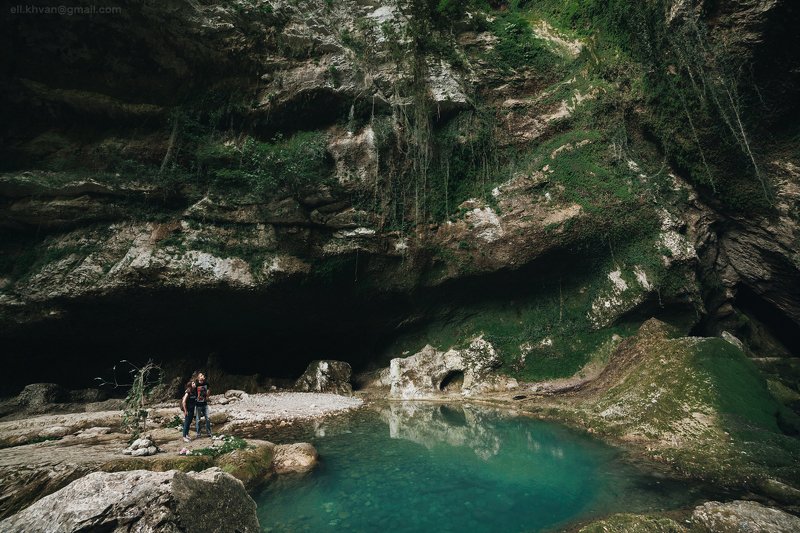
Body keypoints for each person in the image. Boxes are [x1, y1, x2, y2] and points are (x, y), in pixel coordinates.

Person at [181, 371, 198, 443]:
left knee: (189, 422)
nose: (194, 384)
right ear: (190, 385)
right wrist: (185, 411)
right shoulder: (187, 392)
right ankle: (184, 437)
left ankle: (187, 434)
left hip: (192, 409)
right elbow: (183, 402)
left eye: (194, 383)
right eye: (193, 383)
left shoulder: (194, 391)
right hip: (188, 409)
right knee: (186, 422)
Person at [194, 372, 212, 438]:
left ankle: (209, 433)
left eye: (203, 375)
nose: (203, 376)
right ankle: (198, 434)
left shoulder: (206, 383)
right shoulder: (196, 385)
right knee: (198, 420)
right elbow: (192, 392)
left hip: (205, 404)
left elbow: (209, 389)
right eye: (201, 375)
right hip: (198, 405)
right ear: (198, 378)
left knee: (208, 418)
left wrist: (208, 394)